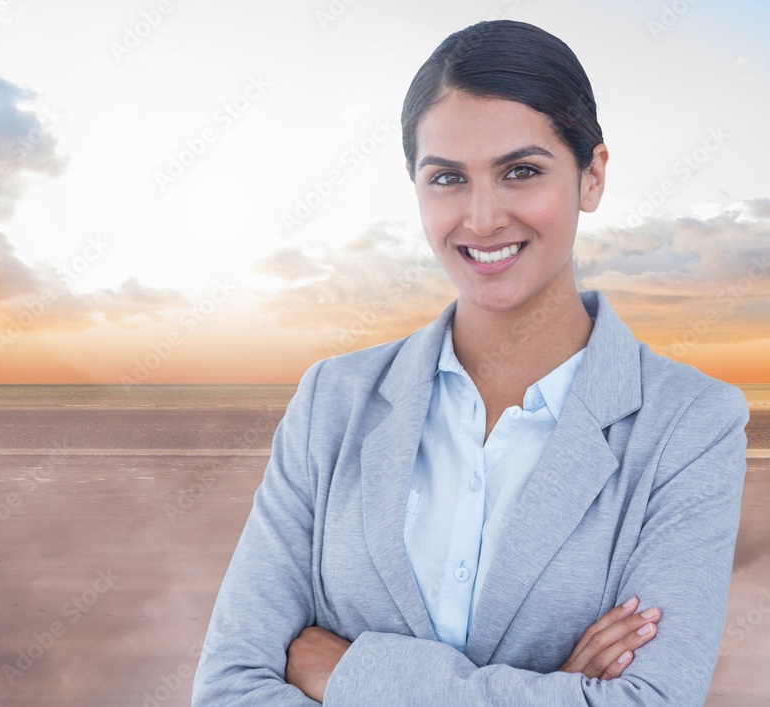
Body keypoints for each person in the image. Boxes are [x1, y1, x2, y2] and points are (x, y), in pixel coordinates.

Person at [192, 19, 749, 706]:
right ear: (415, 186)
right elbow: (225, 688)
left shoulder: (691, 425)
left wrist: (346, 673)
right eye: (448, 178)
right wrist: (555, 690)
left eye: (521, 171)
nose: (482, 218)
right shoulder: (330, 402)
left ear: (592, 175)